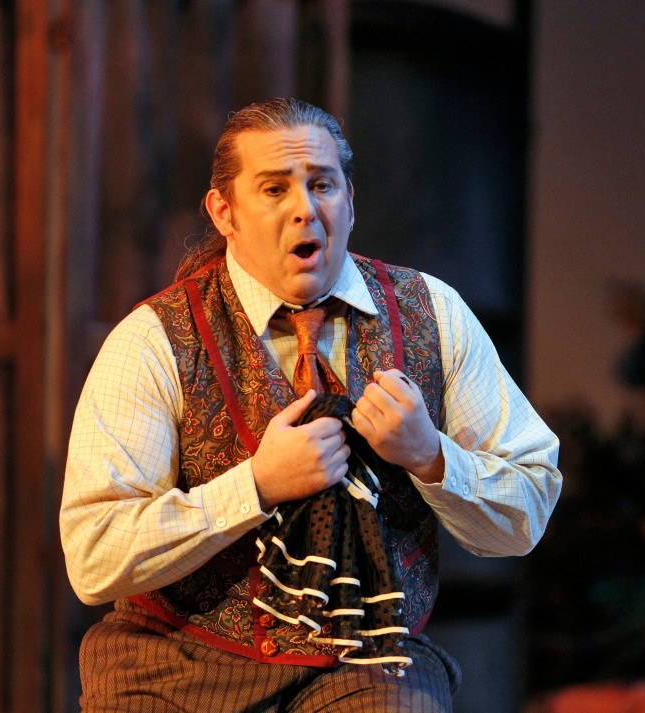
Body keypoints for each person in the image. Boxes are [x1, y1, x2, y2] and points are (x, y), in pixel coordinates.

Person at [60, 97, 562, 712]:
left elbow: (525, 512)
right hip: (176, 663)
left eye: (321, 184)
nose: (305, 210)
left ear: (349, 198)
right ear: (225, 212)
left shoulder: (433, 313)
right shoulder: (154, 340)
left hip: (366, 664)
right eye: (274, 189)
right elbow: (93, 555)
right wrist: (257, 486)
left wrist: (432, 457)